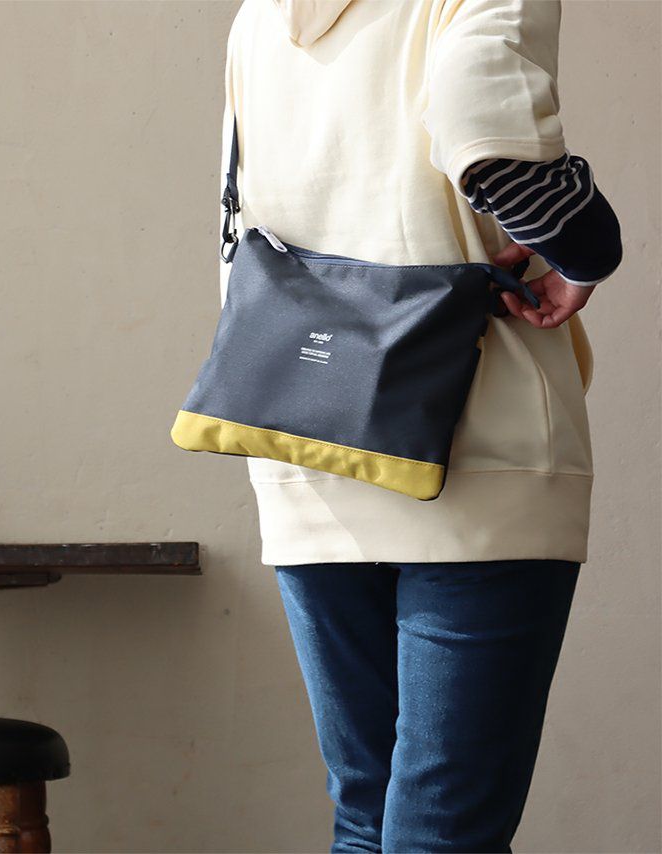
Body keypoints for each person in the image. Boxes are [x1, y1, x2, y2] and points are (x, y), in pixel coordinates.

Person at [217, 0, 622, 851]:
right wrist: (588, 252)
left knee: (366, 816)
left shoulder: (264, 12)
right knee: (445, 826)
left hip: (309, 437)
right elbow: (496, 144)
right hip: (479, 448)